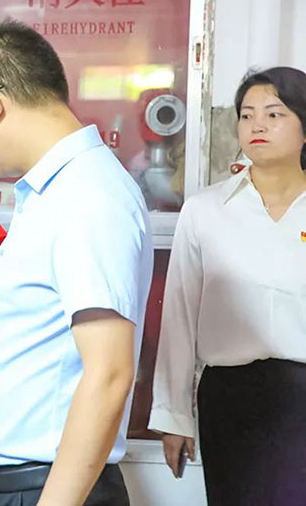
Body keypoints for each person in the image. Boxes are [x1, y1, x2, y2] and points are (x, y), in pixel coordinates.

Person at [0, 21, 153, 506]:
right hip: (17, 486)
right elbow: (28, 325)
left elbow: (110, 372)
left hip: (46, 488)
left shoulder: (88, 197)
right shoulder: (51, 192)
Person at [149, 66, 306, 505]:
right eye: (247, 115)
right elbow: (179, 316)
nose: (257, 125)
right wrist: (174, 417)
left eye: (274, 114)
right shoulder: (206, 211)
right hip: (230, 397)